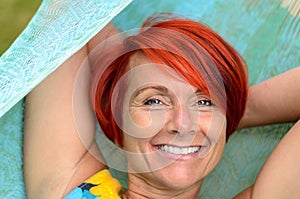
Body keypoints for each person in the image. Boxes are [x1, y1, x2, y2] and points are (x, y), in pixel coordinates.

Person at [23, 14, 300, 199]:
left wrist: (233, 113)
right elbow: (63, 17)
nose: (182, 124)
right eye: (154, 101)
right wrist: (121, 68)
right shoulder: (71, 184)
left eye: (204, 101)